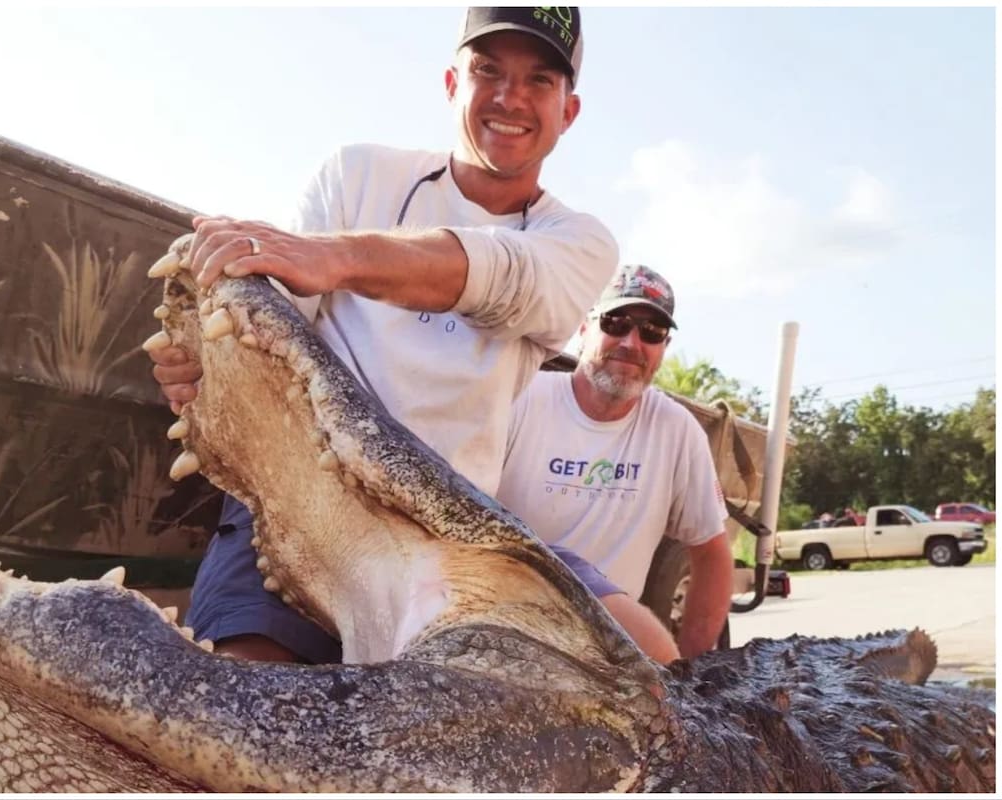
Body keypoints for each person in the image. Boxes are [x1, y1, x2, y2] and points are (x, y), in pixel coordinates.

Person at [149, 7, 621, 664]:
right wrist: (207, 368)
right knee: (240, 694)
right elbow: (265, 326)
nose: (510, 98)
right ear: (453, 83)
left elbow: (507, 275)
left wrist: (335, 257)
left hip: (448, 541)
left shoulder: (579, 242)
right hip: (300, 498)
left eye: (539, 80)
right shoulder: (354, 174)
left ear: (568, 110)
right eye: (488, 70)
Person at [494, 264, 732, 659]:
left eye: (652, 332)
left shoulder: (676, 430)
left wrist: (693, 673)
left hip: (610, 654)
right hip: (506, 632)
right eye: (616, 322)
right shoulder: (519, 400)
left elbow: (712, 553)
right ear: (584, 330)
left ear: (664, 347)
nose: (631, 342)